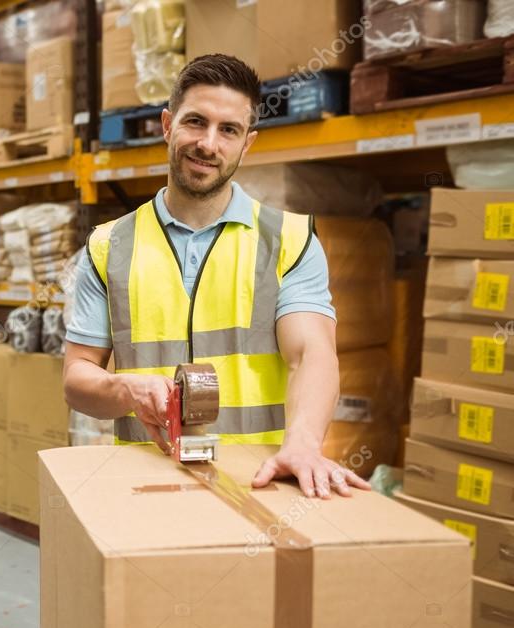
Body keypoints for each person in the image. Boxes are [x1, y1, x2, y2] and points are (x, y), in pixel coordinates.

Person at [63, 54, 371, 500]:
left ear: (247, 144)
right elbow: (77, 378)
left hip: (260, 483)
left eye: (229, 130)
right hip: (146, 484)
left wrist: (303, 445)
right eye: (195, 122)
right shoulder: (109, 246)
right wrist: (125, 388)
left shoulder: (290, 240)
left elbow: (312, 354)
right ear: (167, 125)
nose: (209, 144)